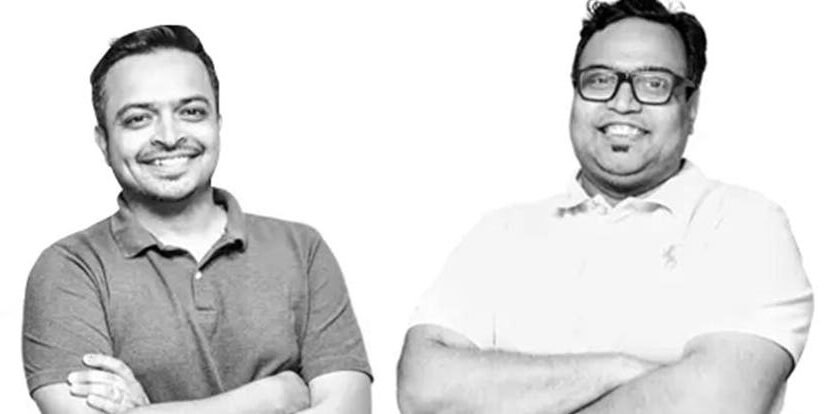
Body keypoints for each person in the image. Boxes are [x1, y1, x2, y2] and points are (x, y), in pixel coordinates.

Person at [397, 0, 814, 413]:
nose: (623, 103)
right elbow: (423, 388)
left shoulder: (744, 224)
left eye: (653, 84)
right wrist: (624, 369)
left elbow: (717, 401)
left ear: (691, 106)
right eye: (599, 80)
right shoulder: (500, 235)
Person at [23, 25, 371, 414]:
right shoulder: (70, 268)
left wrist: (146, 413)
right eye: (138, 118)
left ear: (217, 123)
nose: (170, 136)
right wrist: (272, 397)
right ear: (104, 142)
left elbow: (349, 408)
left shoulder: (302, 250)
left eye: (191, 112)